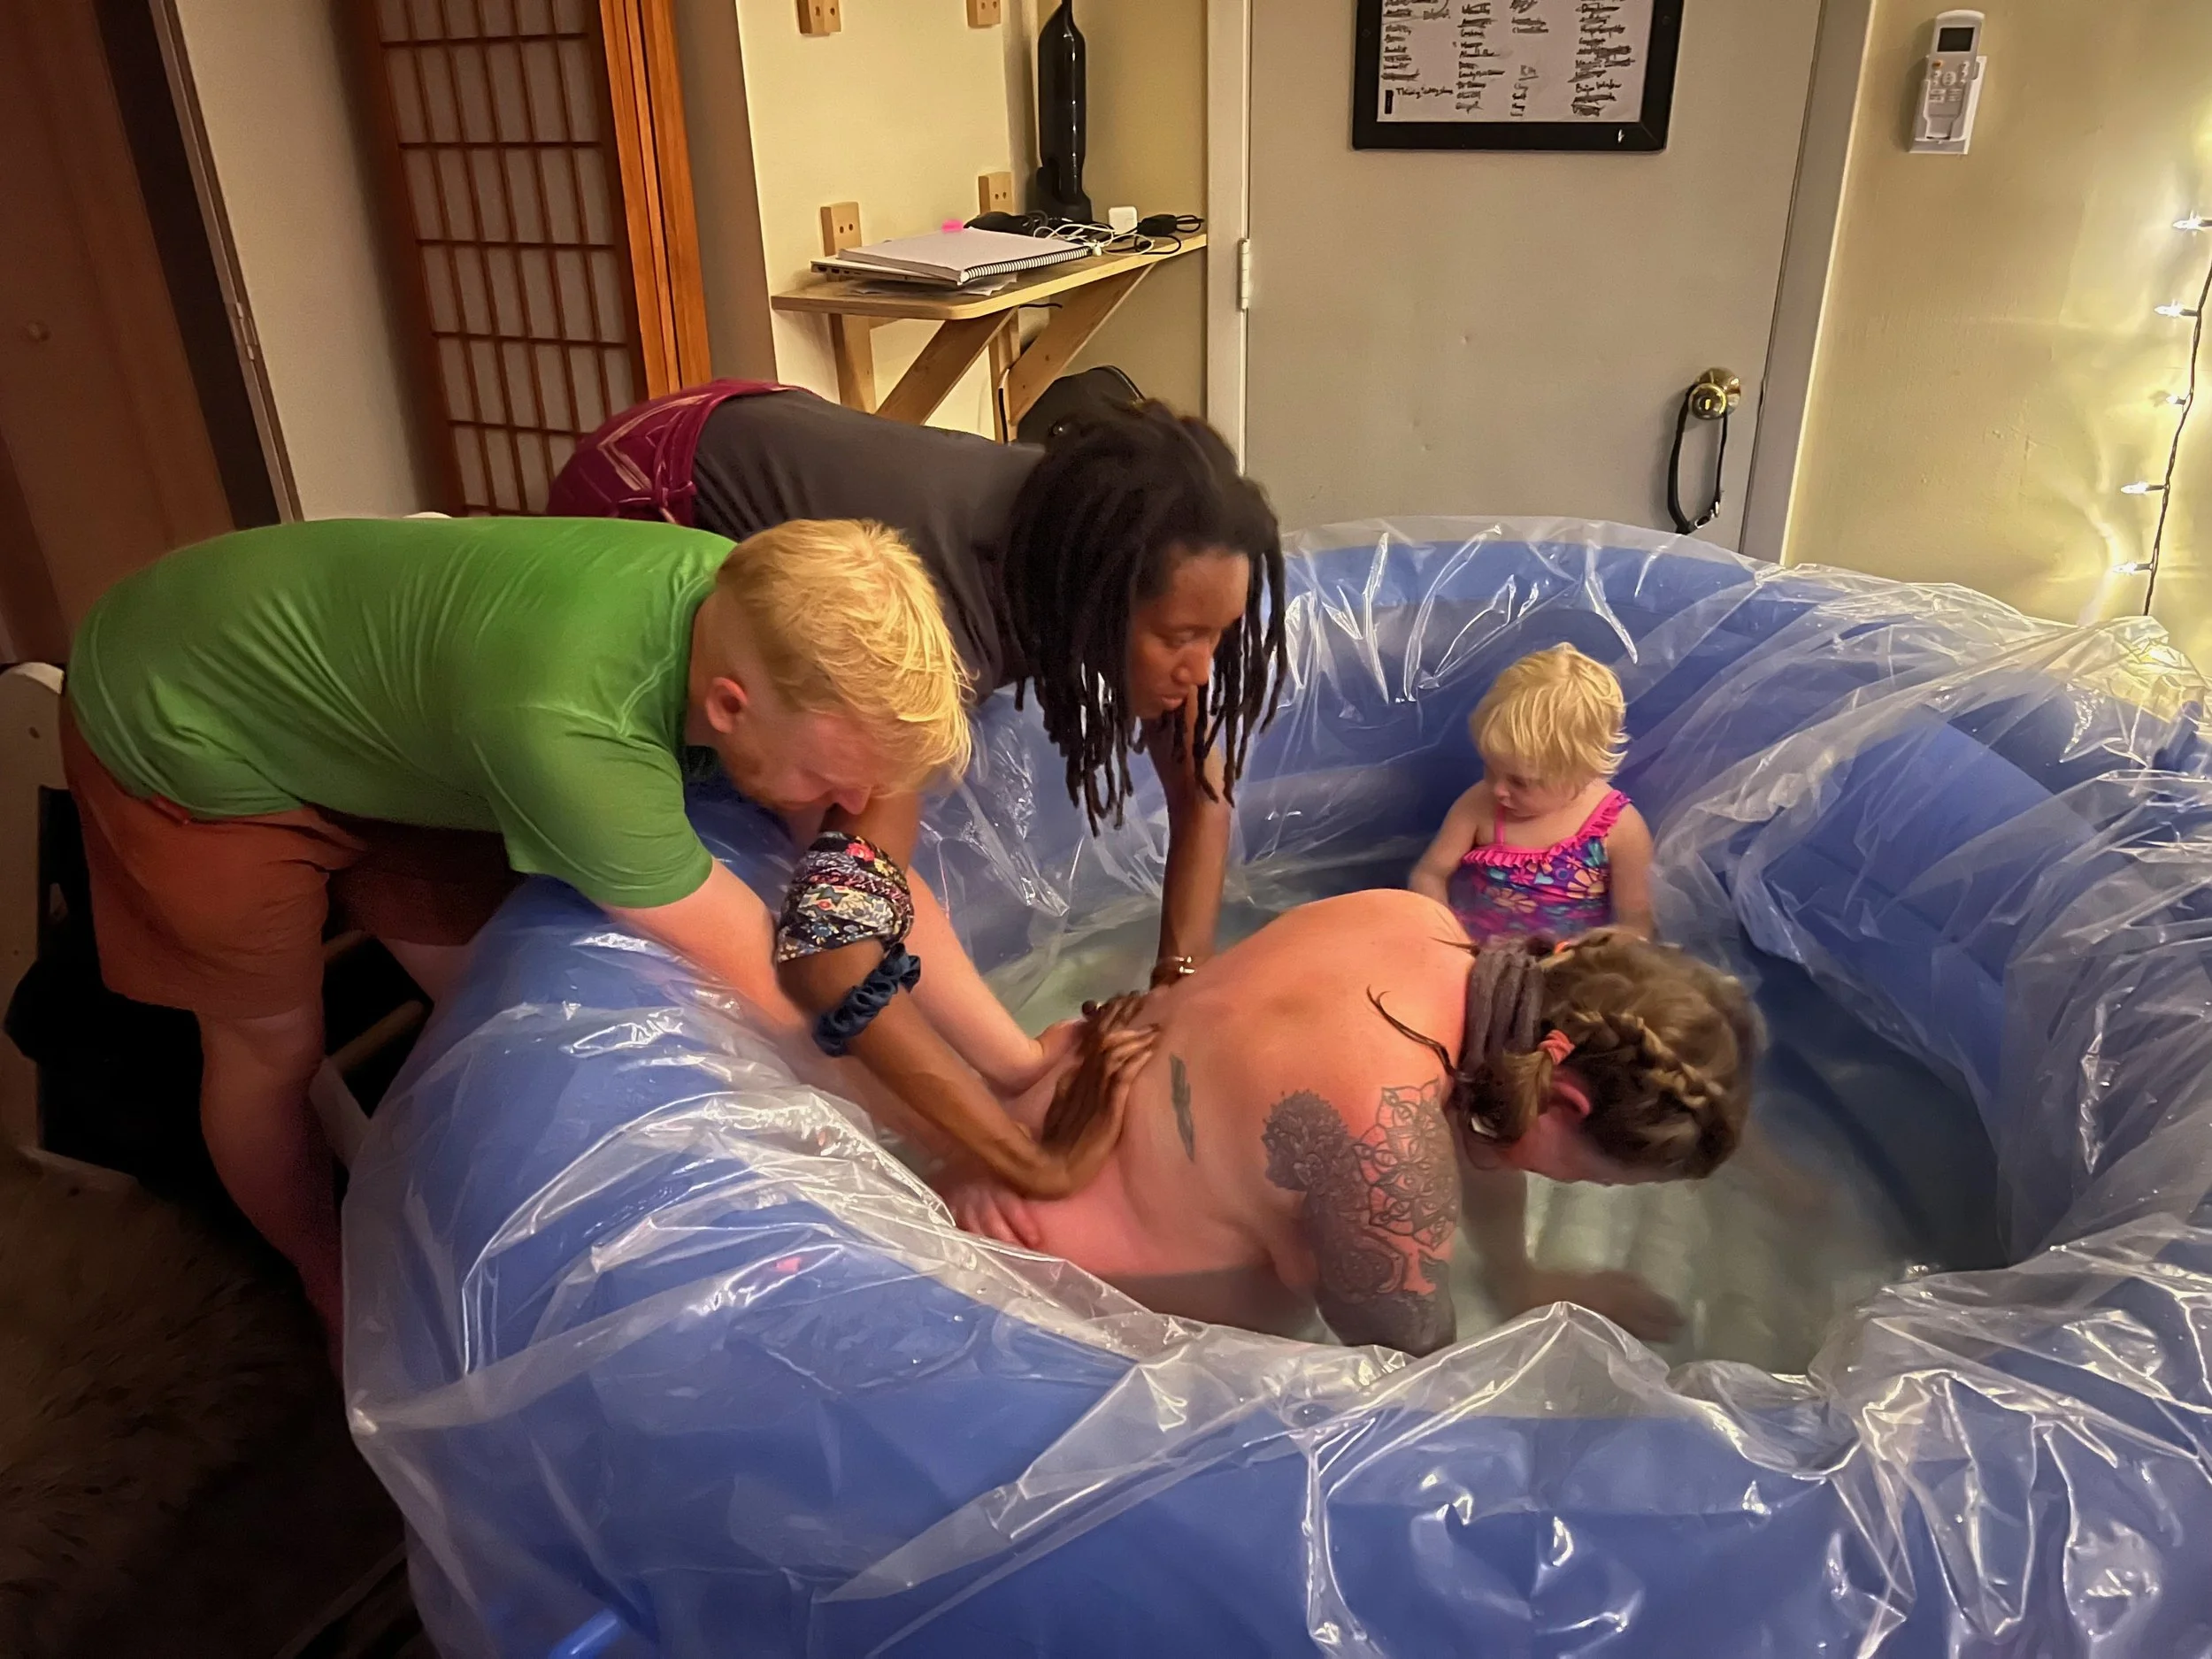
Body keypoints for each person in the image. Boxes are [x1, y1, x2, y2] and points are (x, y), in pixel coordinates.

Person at [58, 514, 1129, 1352]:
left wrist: (1016, 1063)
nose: (840, 800)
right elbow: (789, 994)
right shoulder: (575, 736)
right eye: (824, 778)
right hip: (186, 715)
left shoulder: (757, 605)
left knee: (485, 985)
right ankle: (321, 1274)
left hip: (385, 700)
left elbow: (857, 896)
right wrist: (963, 1157)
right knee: (270, 1047)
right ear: (724, 708)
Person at [549, 385, 1284, 1193]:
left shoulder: (1099, 529)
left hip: (756, 426)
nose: (1204, 668)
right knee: (821, 816)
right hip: (648, 492)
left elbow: (1198, 773)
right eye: (1180, 638)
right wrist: (1017, 1130)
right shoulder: (937, 632)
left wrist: (1177, 978)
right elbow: (832, 944)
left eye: (1219, 634)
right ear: (1099, 598)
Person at [949, 899, 1757, 1356]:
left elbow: (1491, 1125)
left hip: (1002, 1140)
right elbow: (1412, 1371)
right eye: (1582, 1176)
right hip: (1022, 1297)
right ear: (1567, 1102)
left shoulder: (1413, 924)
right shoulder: (1391, 1161)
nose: (1562, 1181)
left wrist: (1519, 1278)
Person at [1409, 644, 1655, 942]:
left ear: (1583, 772)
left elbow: (1635, 924)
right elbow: (1430, 874)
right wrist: (1450, 939)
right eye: (1490, 769)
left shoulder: (1619, 828)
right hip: (1475, 948)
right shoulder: (1479, 805)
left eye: (1520, 782)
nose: (1498, 790)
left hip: (1566, 964)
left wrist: (1585, 958)